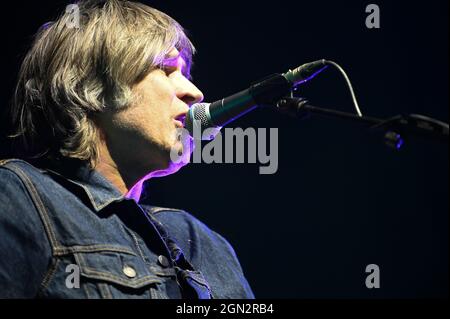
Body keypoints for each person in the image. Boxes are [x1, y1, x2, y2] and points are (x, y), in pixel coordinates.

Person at [0, 0, 254, 299]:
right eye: (166, 68)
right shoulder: (17, 197)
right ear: (91, 85)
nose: (194, 92)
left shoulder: (201, 242)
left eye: (185, 73)